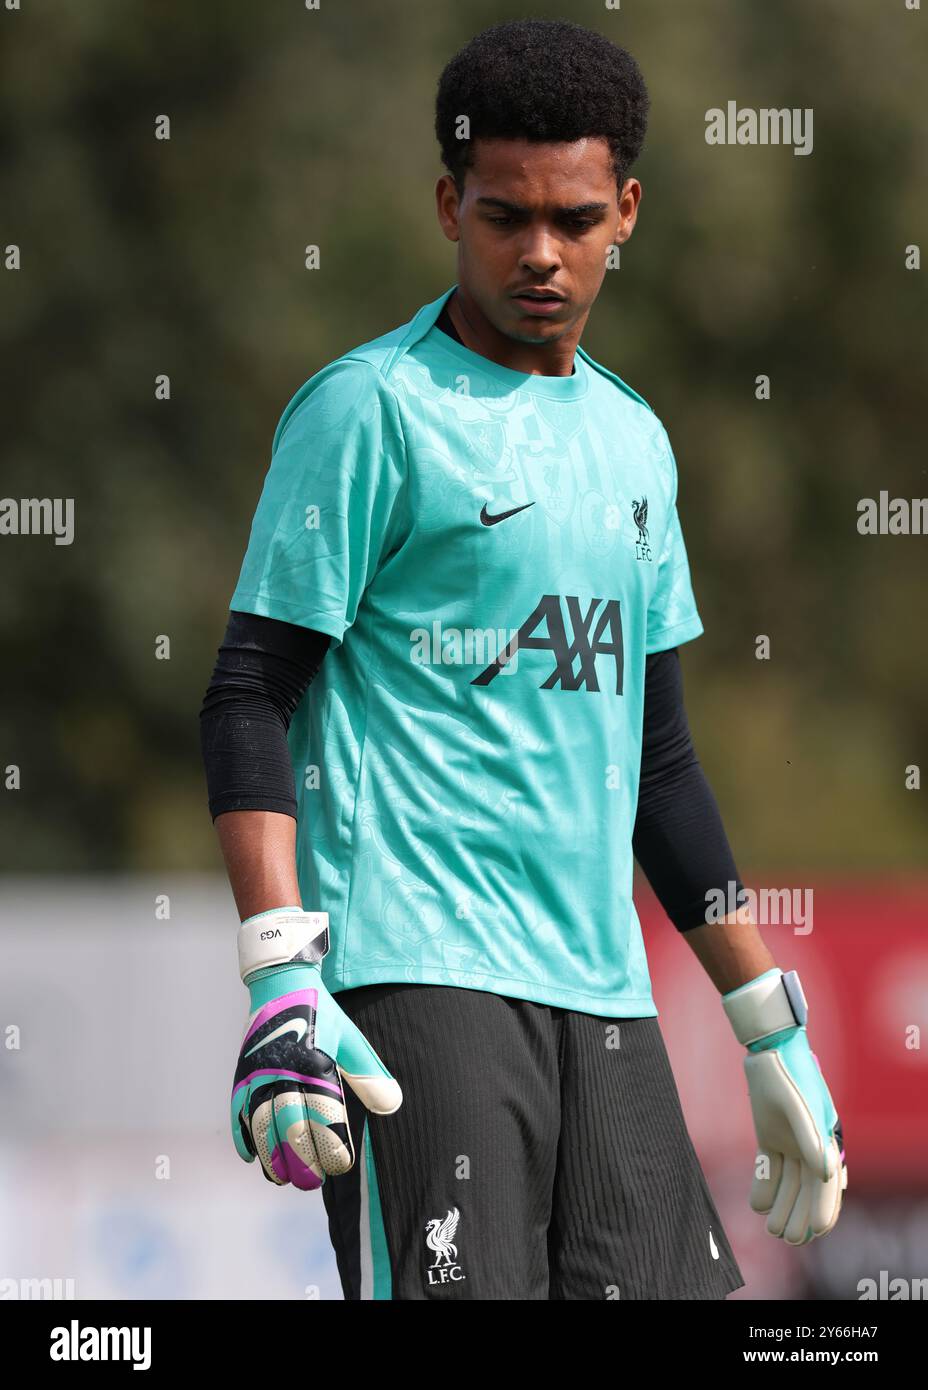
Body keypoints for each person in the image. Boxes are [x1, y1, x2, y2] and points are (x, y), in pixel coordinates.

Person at [200, 18, 846, 1300]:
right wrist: (280, 974)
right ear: (450, 204)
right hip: (417, 982)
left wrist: (763, 1017)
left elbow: (658, 765)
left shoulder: (635, 443)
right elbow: (246, 693)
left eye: (574, 216)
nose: (540, 252)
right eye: (503, 216)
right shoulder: (368, 409)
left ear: (629, 212)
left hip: (603, 997)